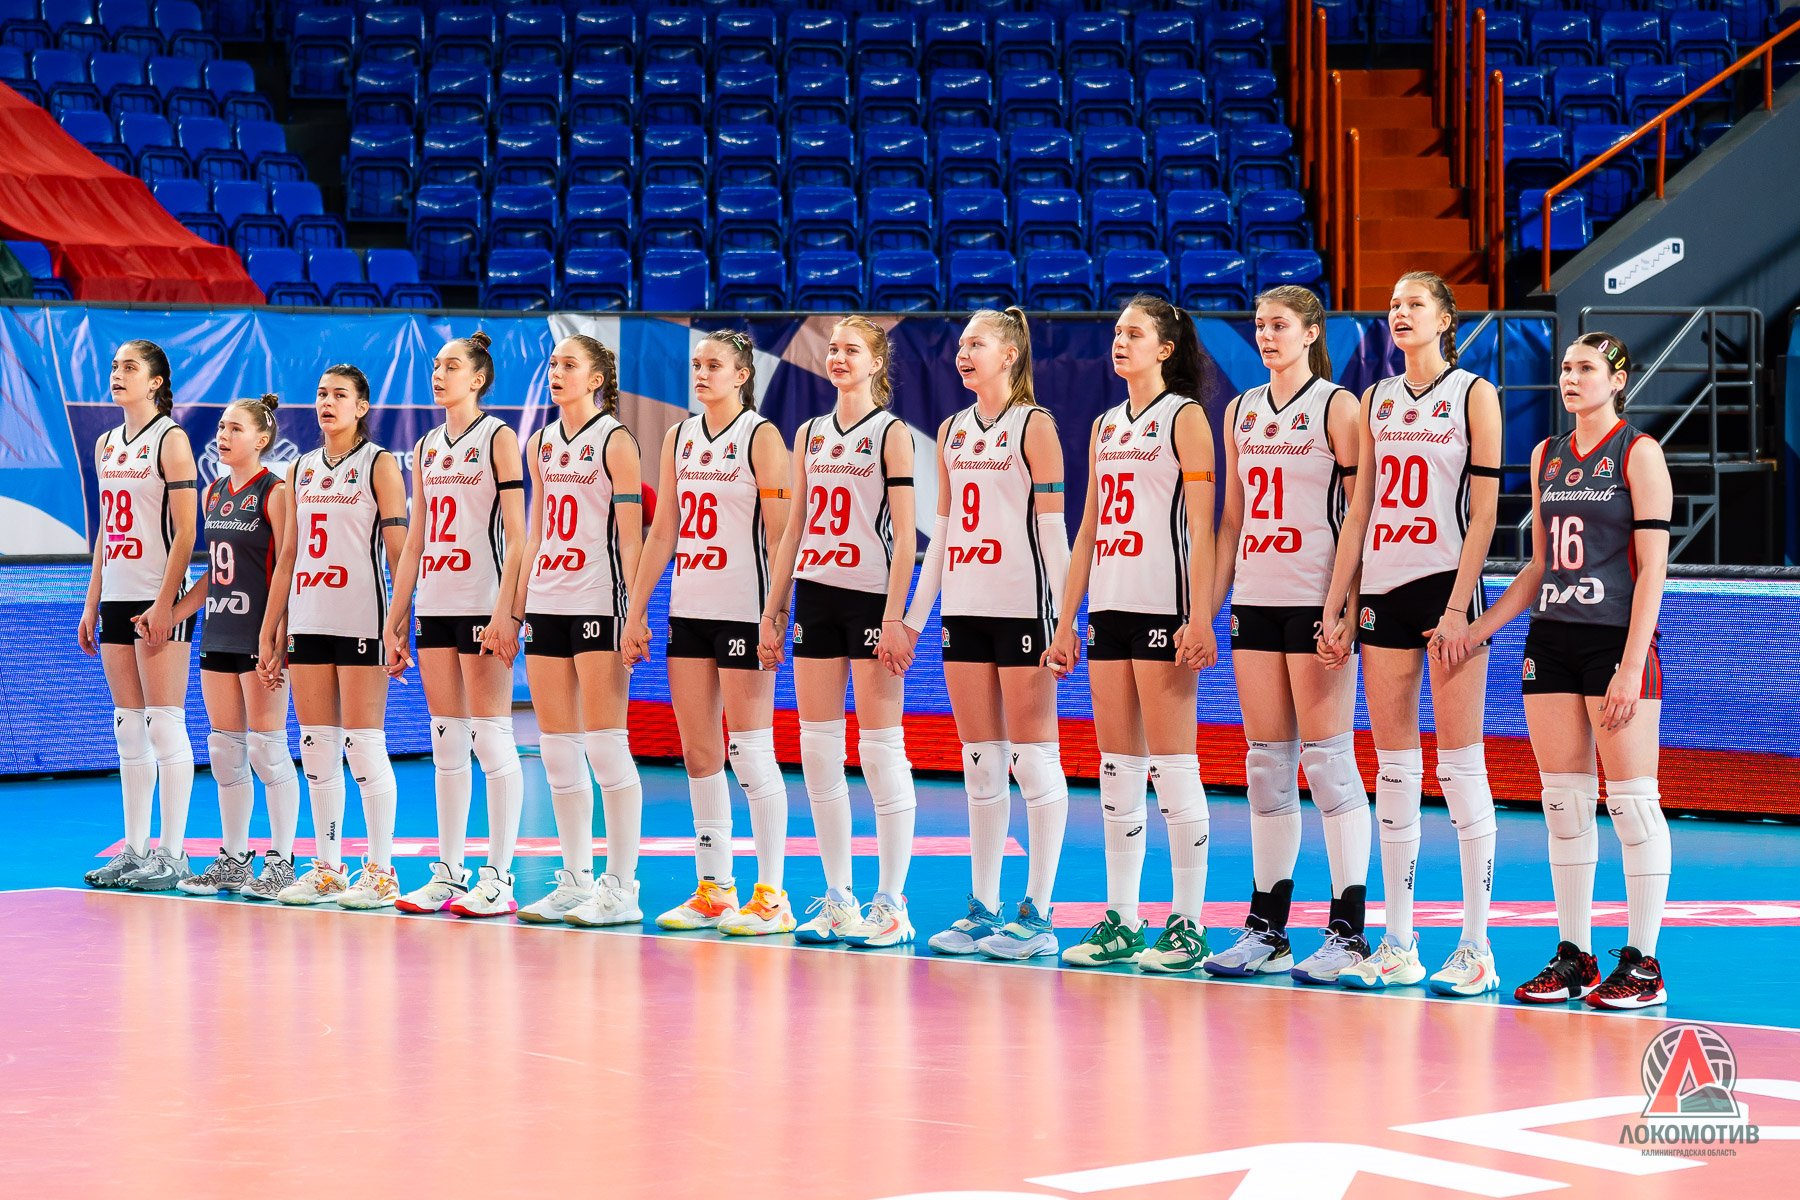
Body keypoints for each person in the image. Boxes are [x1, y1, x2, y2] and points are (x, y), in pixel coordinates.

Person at [1454, 333, 1673, 1009]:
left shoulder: (1639, 452)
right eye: (1566, 368)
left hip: (1614, 641)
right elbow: (1540, 564)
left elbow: (1654, 569)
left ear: (1618, 378)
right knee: (1564, 802)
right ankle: (1574, 956)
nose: (1571, 378)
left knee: (1632, 803)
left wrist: (1631, 663)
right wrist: (1478, 629)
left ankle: (1644, 965)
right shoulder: (1547, 454)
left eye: (1586, 368)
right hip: (1551, 638)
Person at [1319, 272, 1505, 996]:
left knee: (1459, 767)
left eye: (1415, 304)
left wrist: (1459, 607)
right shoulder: (1377, 399)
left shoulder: (1473, 393)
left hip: (1446, 585)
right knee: (1394, 770)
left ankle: (1477, 947)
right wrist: (1337, 605)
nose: (1400, 313)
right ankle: (1399, 942)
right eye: (1393, 305)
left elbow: (1485, 514)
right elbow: (1359, 509)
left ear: (1445, 318)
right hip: (1382, 590)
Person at [1203, 287, 1374, 985]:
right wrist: (1205, 612)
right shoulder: (1240, 410)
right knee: (1266, 765)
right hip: (1255, 599)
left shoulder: (1338, 406)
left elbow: (1360, 512)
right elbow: (1231, 521)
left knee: (1328, 764)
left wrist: (1344, 606)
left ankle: (1348, 933)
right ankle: (1267, 929)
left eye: (1279, 325)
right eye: (1259, 325)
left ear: (1310, 334)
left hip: (1314, 599)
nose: (1266, 335)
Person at [891, 307, 1072, 961]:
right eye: (961, 344)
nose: (964, 354)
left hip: (1024, 611)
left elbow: (1053, 532)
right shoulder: (951, 430)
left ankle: (1039, 914)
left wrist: (1064, 620)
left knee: (1033, 759)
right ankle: (982, 907)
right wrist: (912, 620)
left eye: (978, 344)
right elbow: (941, 535)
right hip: (964, 611)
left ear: (1010, 354)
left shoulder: (1035, 426)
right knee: (981, 763)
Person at [1044, 296, 1219, 973]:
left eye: (1135, 333)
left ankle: (1189, 925)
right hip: (1110, 607)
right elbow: (1089, 527)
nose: (1121, 341)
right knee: (1117, 770)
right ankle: (1123, 918)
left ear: (1166, 349)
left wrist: (1198, 615)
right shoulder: (1105, 424)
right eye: (1117, 332)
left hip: (1163, 606)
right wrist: (1066, 618)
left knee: (1173, 768)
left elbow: (1202, 525)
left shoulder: (1185, 417)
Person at [623, 329, 796, 936]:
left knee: (750, 751)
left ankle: (772, 895)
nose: (701, 373)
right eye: (697, 364)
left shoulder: (761, 436)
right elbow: (663, 531)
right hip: (690, 611)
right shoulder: (678, 437)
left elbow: (780, 535)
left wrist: (775, 614)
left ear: (741, 375)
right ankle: (715, 887)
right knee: (699, 753)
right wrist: (636, 609)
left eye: (714, 365)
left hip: (744, 610)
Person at [759, 316, 920, 948]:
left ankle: (892, 904)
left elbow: (905, 536)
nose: (839, 358)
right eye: (833, 349)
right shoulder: (809, 432)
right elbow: (794, 527)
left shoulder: (891, 433)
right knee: (818, 751)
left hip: (870, 600)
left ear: (877, 363)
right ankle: (838, 898)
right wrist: (774, 609)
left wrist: (894, 617)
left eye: (852, 350)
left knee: (880, 752)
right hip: (816, 596)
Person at [385, 333, 528, 918]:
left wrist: (507, 611)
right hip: (435, 604)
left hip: (482, 603)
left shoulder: (498, 437)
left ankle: (500, 877)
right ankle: (448, 873)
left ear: (478, 379)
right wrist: (396, 618)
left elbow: (519, 536)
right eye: (436, 365)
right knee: (446, 739)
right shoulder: (425, 446)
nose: (439, 374)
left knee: (490, 737)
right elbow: (416, 540)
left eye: (452, 366)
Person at [512, 334, 647, 928]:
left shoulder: (616, 439)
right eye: (553, 363)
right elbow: (536, 531)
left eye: (570, 364)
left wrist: (634, 611)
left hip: (599, 599)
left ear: (596, 379)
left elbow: (631, 538)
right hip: (547, 600)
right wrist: (513, 609)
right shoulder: (541, 443)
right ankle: (574, 881)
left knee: (605, 745)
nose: (557, 372)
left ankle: (622, 886)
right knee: (558, 750)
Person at [274, 365, 410, 909]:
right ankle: (328, 868)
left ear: (362, 406)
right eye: (321, 394)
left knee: (363, 745)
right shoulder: (300, 468)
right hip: (308, 618)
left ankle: (381, 870)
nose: (327, 402)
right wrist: (273, 627)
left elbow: (399, 550)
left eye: (339, 395)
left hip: (361, 619)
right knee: (317, 748)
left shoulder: (379, 464)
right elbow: (289, 554)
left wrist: (400, 623)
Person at [80, 341, 201, 891]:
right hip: (116, 595)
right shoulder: (106, 443)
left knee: (164, 723)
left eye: (130, 367)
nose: (118, 374)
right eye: (114, 366)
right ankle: (135, 850)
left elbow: (187, 532)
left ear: (155, 382)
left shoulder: (170, 439)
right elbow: (107, 529)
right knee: (129, 728)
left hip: (158, 596)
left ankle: (173, 855)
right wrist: (92, 601)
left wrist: (166, 604)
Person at [169, 395, 301, 899]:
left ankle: (283, 862)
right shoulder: (215, 491)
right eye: (222, 427)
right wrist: (172, 614)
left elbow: (288, 567)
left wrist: (278, 635)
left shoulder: (276, 491)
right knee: (225, 751)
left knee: (269, 750)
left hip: (258, 634)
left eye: (236, 429)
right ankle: (234, 859)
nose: (223, 435)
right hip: (219, 631)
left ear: (261, 439)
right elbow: (215, 574)